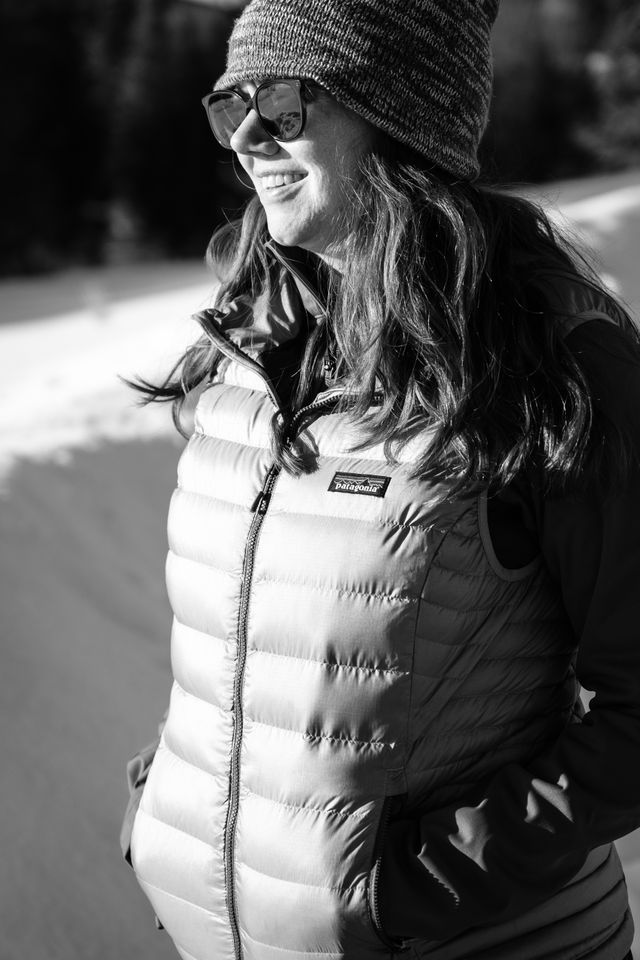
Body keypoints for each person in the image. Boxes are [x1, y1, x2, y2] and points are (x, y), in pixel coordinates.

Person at [120, 2, 640, 959]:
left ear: (398, 114)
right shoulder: (250, 343)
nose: (244, 136)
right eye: (228, 100)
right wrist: (168, 803)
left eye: (280, 101)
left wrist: (409, 888)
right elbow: (249, 645)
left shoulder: (549, 368)